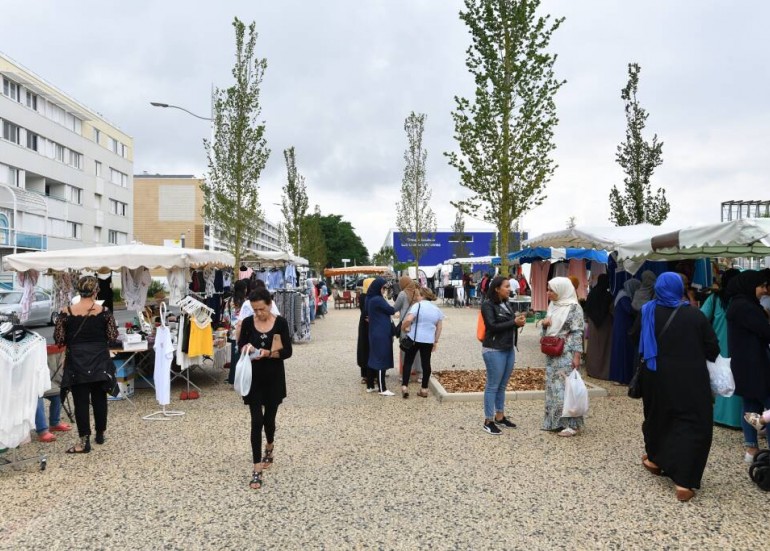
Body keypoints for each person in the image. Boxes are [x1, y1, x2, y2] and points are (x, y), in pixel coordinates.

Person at [637, 272, 719, 502]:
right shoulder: (694, 315)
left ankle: (655, 460)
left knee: (658, 417)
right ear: (678, 289)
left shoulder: (647, 312)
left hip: (654, 376)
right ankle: (683, 482)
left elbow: (635, 338)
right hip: (689, 380)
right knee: (692, 423)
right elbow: (713, 348)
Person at [54, 275, 119, 454]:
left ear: (78, 291)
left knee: (80, 402)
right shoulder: (104, 311)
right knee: (100, 398)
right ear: (96, 291)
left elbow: (59, 339)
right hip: (99, 361)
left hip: (77, 362)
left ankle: (84, 442)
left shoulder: (65, 311)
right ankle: (100, 434)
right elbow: (113, 337)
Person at [237, 288, 293, 490]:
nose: (258, 313)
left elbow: (287, 351)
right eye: (254, 310)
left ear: (269, 304)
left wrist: (268, 353)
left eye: (261, 309)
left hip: (273, 378)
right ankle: (256, 467)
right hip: (253, 379)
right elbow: (240, 345)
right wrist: (247, 348)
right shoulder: (247, 323)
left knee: (269, 420)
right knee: (256, 421)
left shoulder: (280, 323)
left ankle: (269, 445)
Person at [725, 270, 770, 463]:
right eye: (761, 287)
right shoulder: (747, 307)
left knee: (750, 404)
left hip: (743, 364)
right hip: (756, 364)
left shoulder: (737, 304)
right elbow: (766, 332)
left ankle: (751, 449)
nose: (763, 291)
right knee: (768, 405)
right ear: (751, 286)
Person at [480, 276, 526, 435]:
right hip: (494, 349)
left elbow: (509, 321)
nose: (510, 289)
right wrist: (514, 323)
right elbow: (492, 326)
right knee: (493, 385)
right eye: (506, 286)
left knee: (502, 385)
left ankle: (500, 416)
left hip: (507, 348)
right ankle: (488, 420)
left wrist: (518, 320)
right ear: (496, 288)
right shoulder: (487, 305)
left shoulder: (506, 302)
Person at [540, 277, 585, 437]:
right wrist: (545, 325)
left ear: (561, 290)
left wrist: (577, 355)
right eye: (548, 289)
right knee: (553, 388)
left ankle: (571, 424)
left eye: (551, 290)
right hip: (552, 351)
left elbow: (577, 332)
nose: (548, 293)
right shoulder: (553, 305)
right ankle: (554, 422)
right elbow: (548, 328)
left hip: (566, 353)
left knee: (566, 388)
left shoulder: (574, 308)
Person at [700, 268, 742, 427]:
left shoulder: (715, 299)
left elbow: (702, 318)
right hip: (739, 345)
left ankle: (721, 416)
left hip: (719, 345)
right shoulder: (743, 299)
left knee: (721, 378)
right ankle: (738, 419)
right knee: (738, 379)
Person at [400, 287, 444, 398]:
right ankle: (424, 389)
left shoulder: (417, 306)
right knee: (426, 364)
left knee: (408, 362)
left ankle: (405, 386)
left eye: (418, 295)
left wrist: (403, 327)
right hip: (428, 340)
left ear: (423, 296)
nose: (417, 297)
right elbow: (439, 327)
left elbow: (409, 319)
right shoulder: (436, 309)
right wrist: (436, 341)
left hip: (414, 338)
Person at [366, 277, 396, 396]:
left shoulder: (371, 298)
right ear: (379, 288)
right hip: (381, 333)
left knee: (373, 358)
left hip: (375, 332)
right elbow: (391, 310)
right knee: (380, 359)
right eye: (383, 288)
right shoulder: (378, 299)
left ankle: (370, 385)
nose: (384, 290)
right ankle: (382, 388)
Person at [608, 278, 641, 384]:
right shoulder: (624, 297)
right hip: (623, 328)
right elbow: (630, 310)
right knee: (622, 352)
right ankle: (620, 377)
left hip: (621, 327)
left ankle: (621, 377)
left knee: (621, 351)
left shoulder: (622, 294)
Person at [584, 274, 614, 380]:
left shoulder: (592, 293)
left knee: (593, 347)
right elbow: (611, 309)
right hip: (605, 325)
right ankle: (602, 372)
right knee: (604, 348)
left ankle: (592, 370)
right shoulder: (608, 295)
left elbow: (587, 307)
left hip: (593, 324)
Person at [393, 275, 422, 382]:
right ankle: (420, 374)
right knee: (418, 349)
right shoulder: (418, 292)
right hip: (417, 325)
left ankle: (406, 374)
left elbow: (395, 308)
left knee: (405, 349)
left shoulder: (402, 294)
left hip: (406, 326)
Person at [356, 278, 375, 384]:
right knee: (368, 348)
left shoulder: (363, 296)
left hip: (364, 323)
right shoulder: (367, 297)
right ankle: (371, 375)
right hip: (368, 323)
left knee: (365, 348)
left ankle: (366, 375)